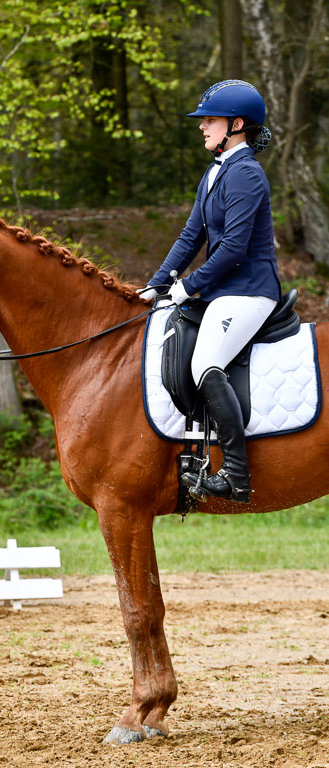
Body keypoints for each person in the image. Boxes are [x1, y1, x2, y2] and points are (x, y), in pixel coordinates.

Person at [141, 80, 281, 503]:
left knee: (205, 362)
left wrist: (187, 286)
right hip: (224, 290)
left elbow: (233, 249)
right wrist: (158, 282)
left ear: (237, 125)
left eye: (211, 120)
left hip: (251, 290)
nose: (202, 127)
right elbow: (191, 235)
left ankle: (236, 476)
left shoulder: (246, 174)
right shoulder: (215, 171)